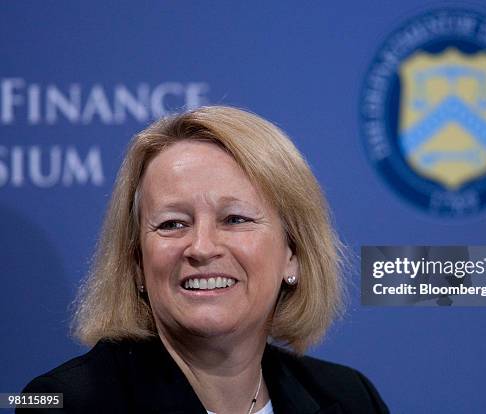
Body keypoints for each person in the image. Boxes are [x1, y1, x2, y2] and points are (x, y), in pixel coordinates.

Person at [20, 106, 389, 413]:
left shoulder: (349, 398)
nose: (201, 247)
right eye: (172, 223)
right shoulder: (69, 404)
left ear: (293, 254)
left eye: (235, 219)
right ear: (136, 263)